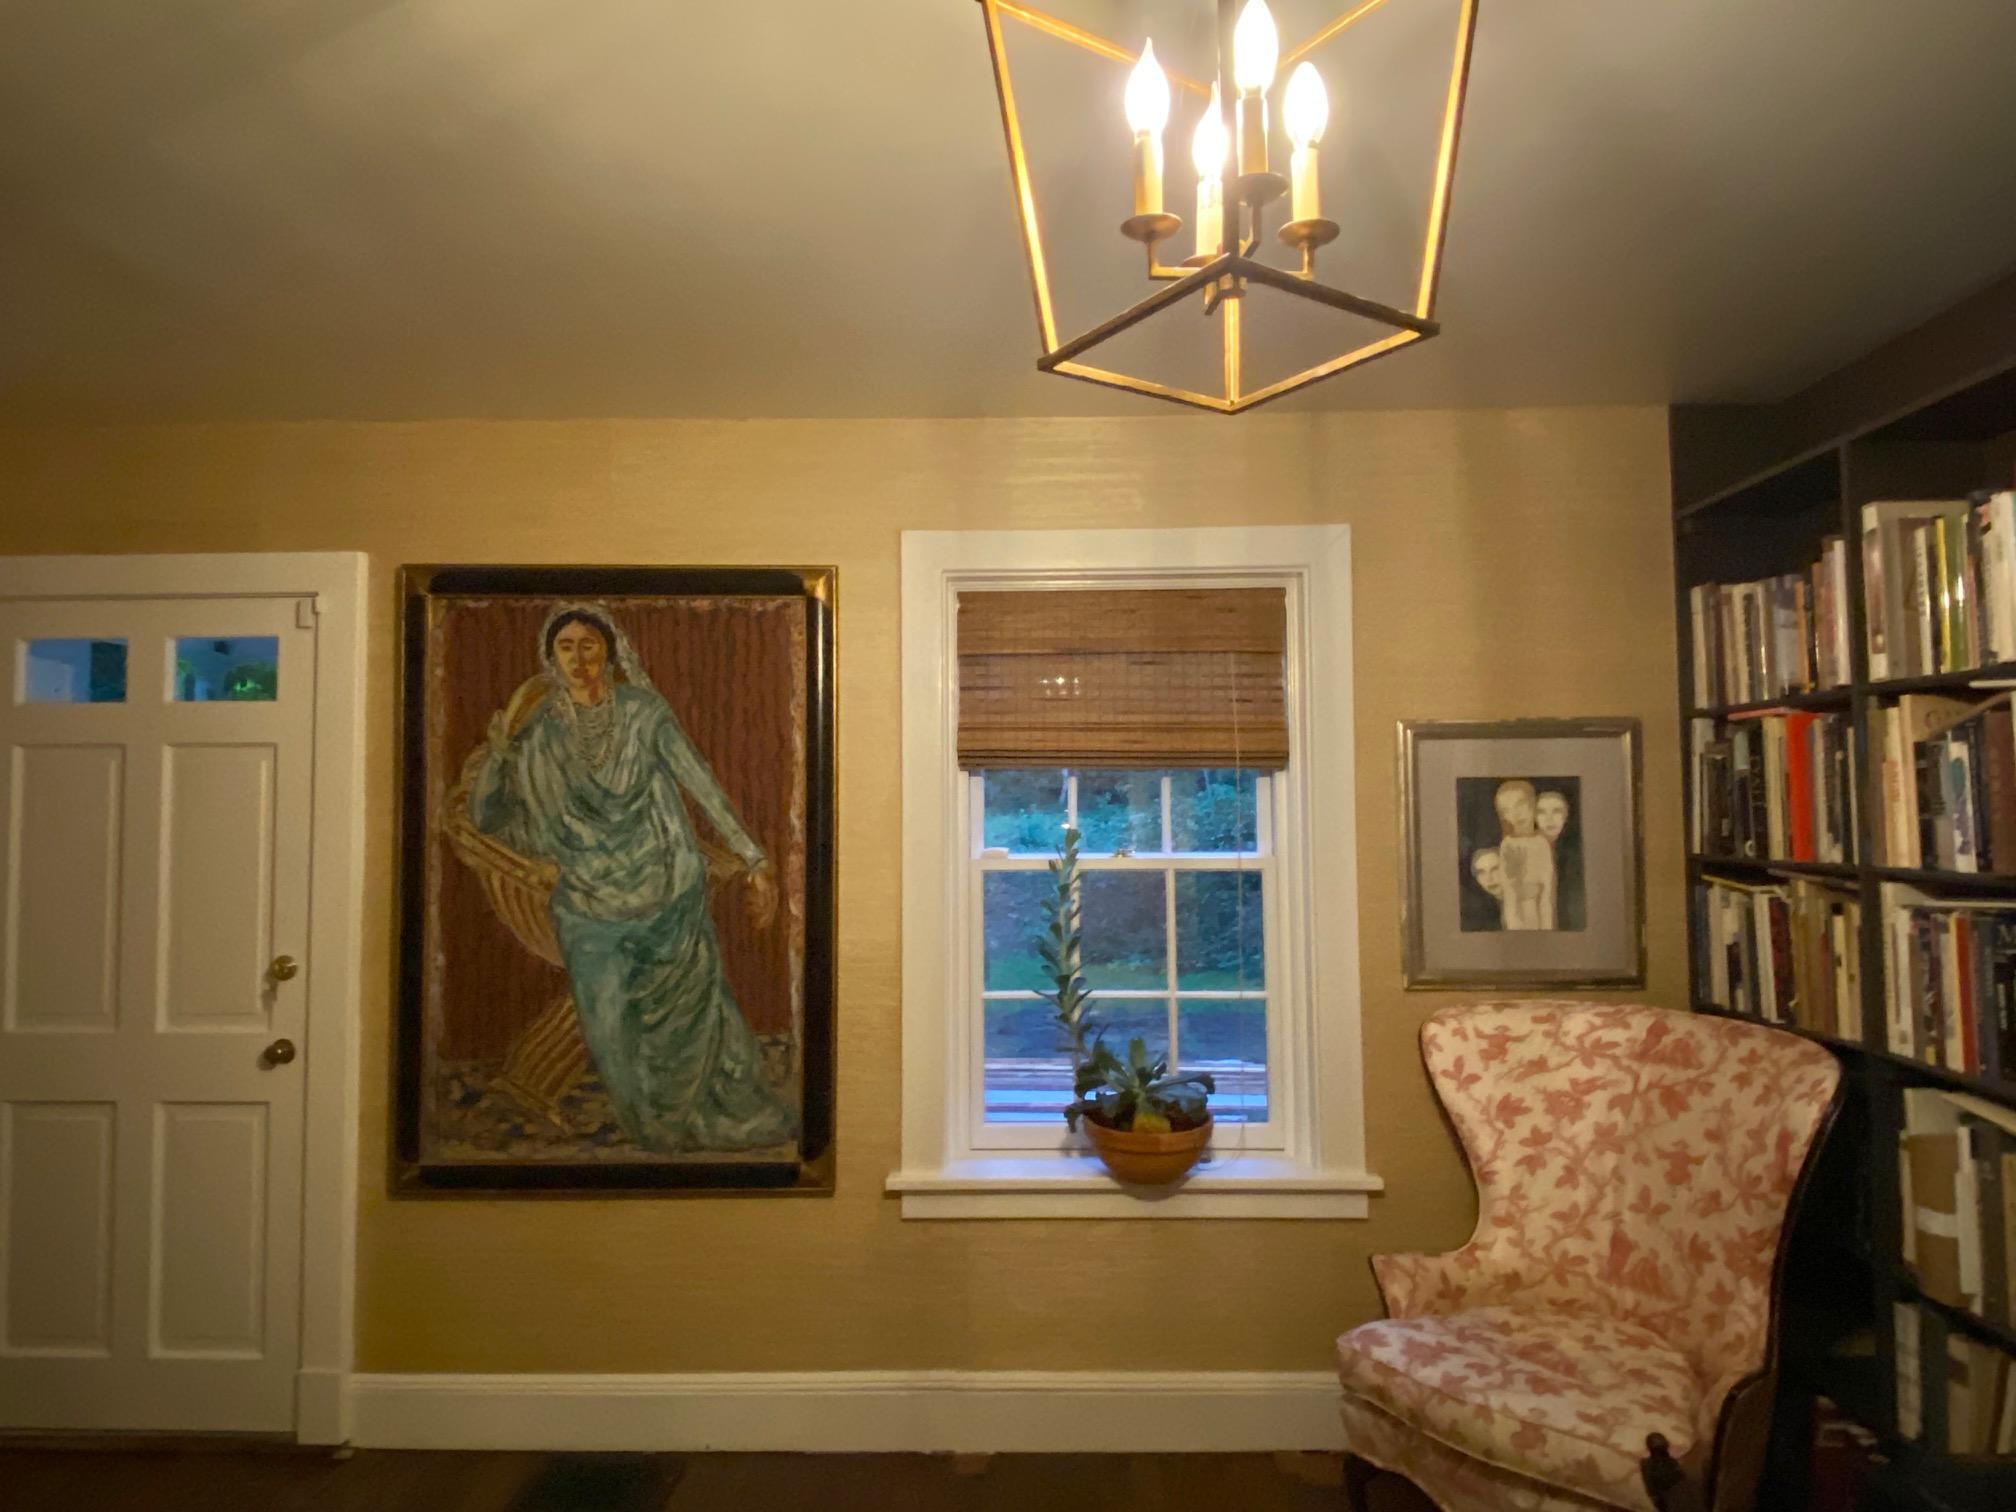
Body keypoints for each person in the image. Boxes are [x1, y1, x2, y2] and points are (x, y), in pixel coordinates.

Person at [466, 602, 797, 1154]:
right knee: (611, 1030)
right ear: (551, 658)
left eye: (589, 645)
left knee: (690, 1024)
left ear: (610, 652)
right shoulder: (539, 732)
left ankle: (720, 1122)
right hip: (587, 902)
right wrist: (500, 756)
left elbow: (701, 784)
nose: (579, 658)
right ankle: (655, 1129)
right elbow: (485, 818)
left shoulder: (644, 713)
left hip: (668, 889)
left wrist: (754, 859)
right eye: (566, 647)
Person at [1494, 779, 1556, 931]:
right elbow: (1510, 893)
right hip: (1516, 919)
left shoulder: (1542, 843)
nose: (1515, 814)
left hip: (1540, 917)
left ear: (1532, 804)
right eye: (1506, 810)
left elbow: (1546, 894)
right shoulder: (1507, 845)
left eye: (1519, 805)